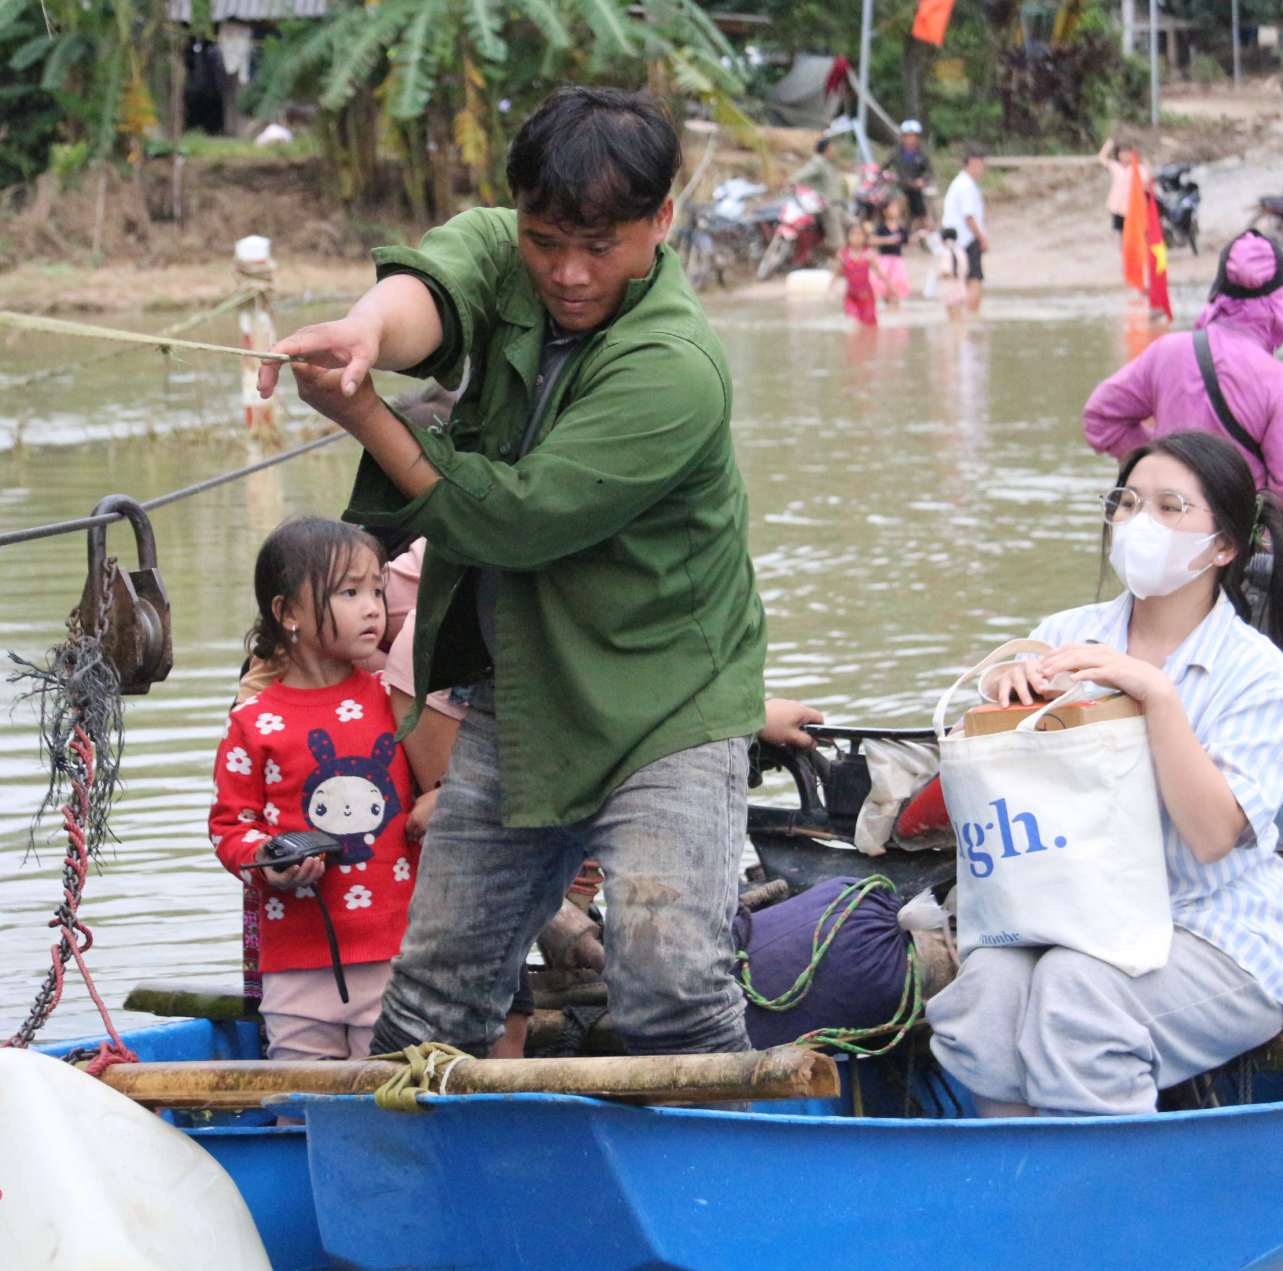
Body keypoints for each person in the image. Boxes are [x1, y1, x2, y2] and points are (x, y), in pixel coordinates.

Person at [257, 86, 768, 1062]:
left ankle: (722, 1182)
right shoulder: (508, 249)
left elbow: (514, 519)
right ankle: (414, 1187)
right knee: (434, 995)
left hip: (669, 698)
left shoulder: (673, 367)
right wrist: (366, 334)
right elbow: (433, 289)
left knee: (667, 977)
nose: (567, 274)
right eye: (545, 242)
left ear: (661, 222)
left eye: (601, 246)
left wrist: (366, 415)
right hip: (524, 690)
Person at [928, 429, 1283, 1116]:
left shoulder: (1254, 671)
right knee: (984, 991)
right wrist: (1008, 686)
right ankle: (1023, 1191)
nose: (1143, 523)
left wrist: (1156, 694)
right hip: (1068, 915)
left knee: (1077, 993)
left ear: (1224, 546)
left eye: (1172, 507)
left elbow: (1210, 836)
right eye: (1129, 502)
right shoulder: (1066, 633)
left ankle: (1106, 1201)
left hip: (1209, 931)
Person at [209, 517, 420, 1060]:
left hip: (401, 946)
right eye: (349, 592)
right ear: (287, 613)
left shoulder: (394, 698)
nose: (373, 606)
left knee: (394, 1091)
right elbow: (232, 825)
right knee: (301, 1104)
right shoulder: (253, 721)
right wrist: (268, 859)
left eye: (377, 589)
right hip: (297, 957)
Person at [1083, 232, 1283, 520]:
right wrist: (1250, 521)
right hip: (1234, 542)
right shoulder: (1282, 383)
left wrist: (1159, 460)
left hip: (1164, 527)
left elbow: (1100, 417)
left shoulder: (1167, 353)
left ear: (1218, 292)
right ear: (1279, 300)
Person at [941, 149, 988, 315]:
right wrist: (982, 239)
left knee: (957, 281)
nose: (982, 169)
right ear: (971, 164)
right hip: (966, 240)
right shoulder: (966, 186)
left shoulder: (960, 184)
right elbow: (969, 217)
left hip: (954, 241)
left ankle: (961, 319)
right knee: (974, 279)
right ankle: (972, 316)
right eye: (980, 165)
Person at [833, 222, 894, 327]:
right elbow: (837, 273)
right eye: (853, 234)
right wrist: (829, 290)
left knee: (870, 326)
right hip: (851, 297)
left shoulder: (868, 254)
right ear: (848, 237)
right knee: (853, 323)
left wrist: (890, 287)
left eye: (859, 234)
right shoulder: (843, 255)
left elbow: (879, 273)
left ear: (864, 238)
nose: (856, 237)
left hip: (867, 297)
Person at [885, 120, 934, 233]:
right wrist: (889, 176)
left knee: (920, 207)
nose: (911, 139)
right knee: (898, 202)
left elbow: (929, 173)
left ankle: (924, 231)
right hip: (898, 186)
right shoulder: (896, 154)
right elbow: (884, 168)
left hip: (914, 188)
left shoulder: (921, 156)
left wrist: (922, 180)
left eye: (913, 136)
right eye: (908, 136)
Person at [1099, 139, 1145, 239]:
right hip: (1117, 206)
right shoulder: (1116, 167)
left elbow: (1147, 179)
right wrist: (1108, 146)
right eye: (1122, 153)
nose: (1124, 156)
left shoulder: (1138, 169)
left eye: (1127, 153)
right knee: (1121, 232)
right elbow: (1102, 158)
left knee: (1134, 233)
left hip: (1131, 207)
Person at [872, 195, 910, 305]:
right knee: (885, 288)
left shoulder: (900, 227)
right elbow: (873, 240)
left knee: (897, 286)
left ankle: (896, 308)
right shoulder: (881, 227)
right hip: (885, 260)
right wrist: (888, 240)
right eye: (893, 207)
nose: (896, 210)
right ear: (885, 211)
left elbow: (906, 241)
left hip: (897, 261)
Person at [932, 227, 966, 322]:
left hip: (949, 288)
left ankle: (953, 335)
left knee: (952, 317)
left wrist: (938, 276)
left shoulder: (946, 253)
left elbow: (946, 271)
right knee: (959, 315)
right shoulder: (960, 251)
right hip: (961, 286)